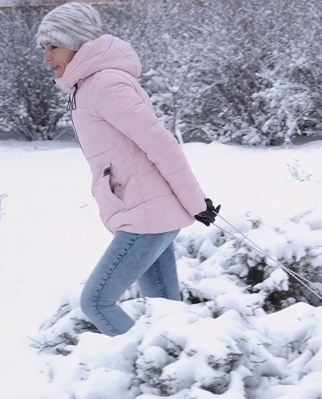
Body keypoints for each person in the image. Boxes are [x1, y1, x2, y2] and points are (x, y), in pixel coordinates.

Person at [37, 3, 219, 336]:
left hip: (147, 216)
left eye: (53, 46)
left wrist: (197, 203)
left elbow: (161, 145)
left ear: (77, 44)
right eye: (43, 48)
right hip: (148, 212)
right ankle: (177, 368)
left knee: (96, 302)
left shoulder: (104, 85)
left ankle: (141, 367)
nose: (46, 56)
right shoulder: (86, 87)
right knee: (166, 308)